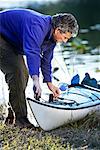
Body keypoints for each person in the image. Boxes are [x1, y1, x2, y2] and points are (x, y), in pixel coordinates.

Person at [0, 8, 79, 127]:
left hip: (11, 41)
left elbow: (46, 61)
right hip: (2, 36)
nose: (65, 42)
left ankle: (12, 115)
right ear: (58, 30)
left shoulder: (51, 39)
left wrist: (49, 83)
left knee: (21, 75)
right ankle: (21, 121)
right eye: (65, 38)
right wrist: (36, 81)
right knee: (18, 72)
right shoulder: (37, 26)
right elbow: (32, 52)